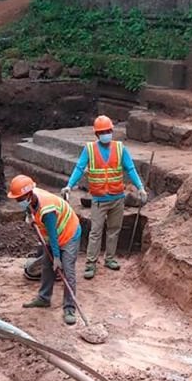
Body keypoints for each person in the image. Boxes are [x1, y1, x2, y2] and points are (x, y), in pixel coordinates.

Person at [61, 115, 146, 279]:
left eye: (108, 131)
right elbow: (79, 168)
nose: (106, 134)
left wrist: (140, 187)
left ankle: (110, 258)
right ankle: (90, 263)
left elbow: (130, 169)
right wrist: (69, 185)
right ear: (97, 134)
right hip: (99, 200)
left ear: (111, 131)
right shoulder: (90, 149)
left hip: (117, 198)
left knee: (114, 230)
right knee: (95, 232)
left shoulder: (121, 148)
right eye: (102, 132)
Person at [10, 174, 83, 325]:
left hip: (69, 233)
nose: (18, 202)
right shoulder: (32, 197)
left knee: (67, 270)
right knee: (46, 266)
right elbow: (36, 219)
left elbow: (53, 235)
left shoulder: (47, 209)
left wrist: (57, 257)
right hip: (54, 234)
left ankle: (69, 308)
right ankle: (44, 298)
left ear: (28, 195)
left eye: (19, 199)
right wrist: (29, 215)